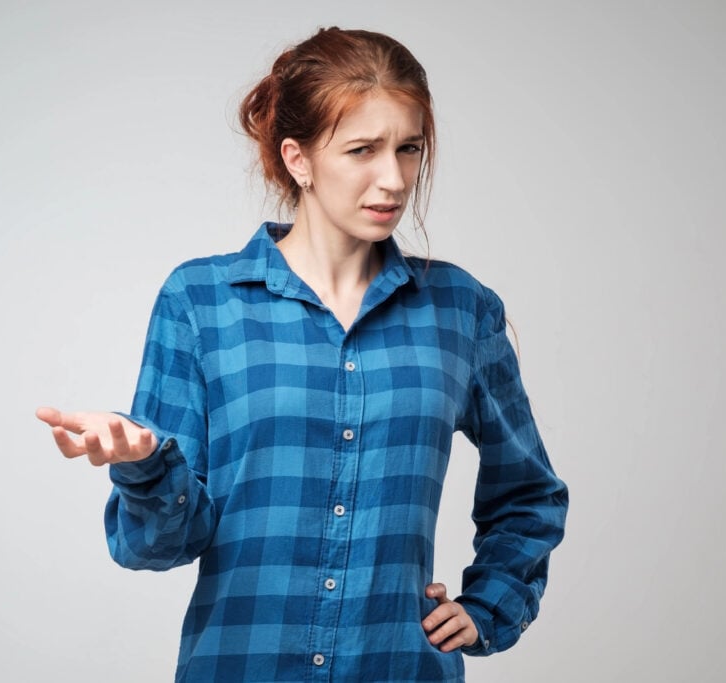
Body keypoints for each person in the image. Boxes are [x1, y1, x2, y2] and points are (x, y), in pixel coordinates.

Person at [36, 26, 567, 683]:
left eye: (409, 149)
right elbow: (159, 546)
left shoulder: (459, 310)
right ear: (299, 158)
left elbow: (530, 491)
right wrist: (146, 465)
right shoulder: (203, 302)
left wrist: (492, 604)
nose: (394, 178)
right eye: (363, 150)